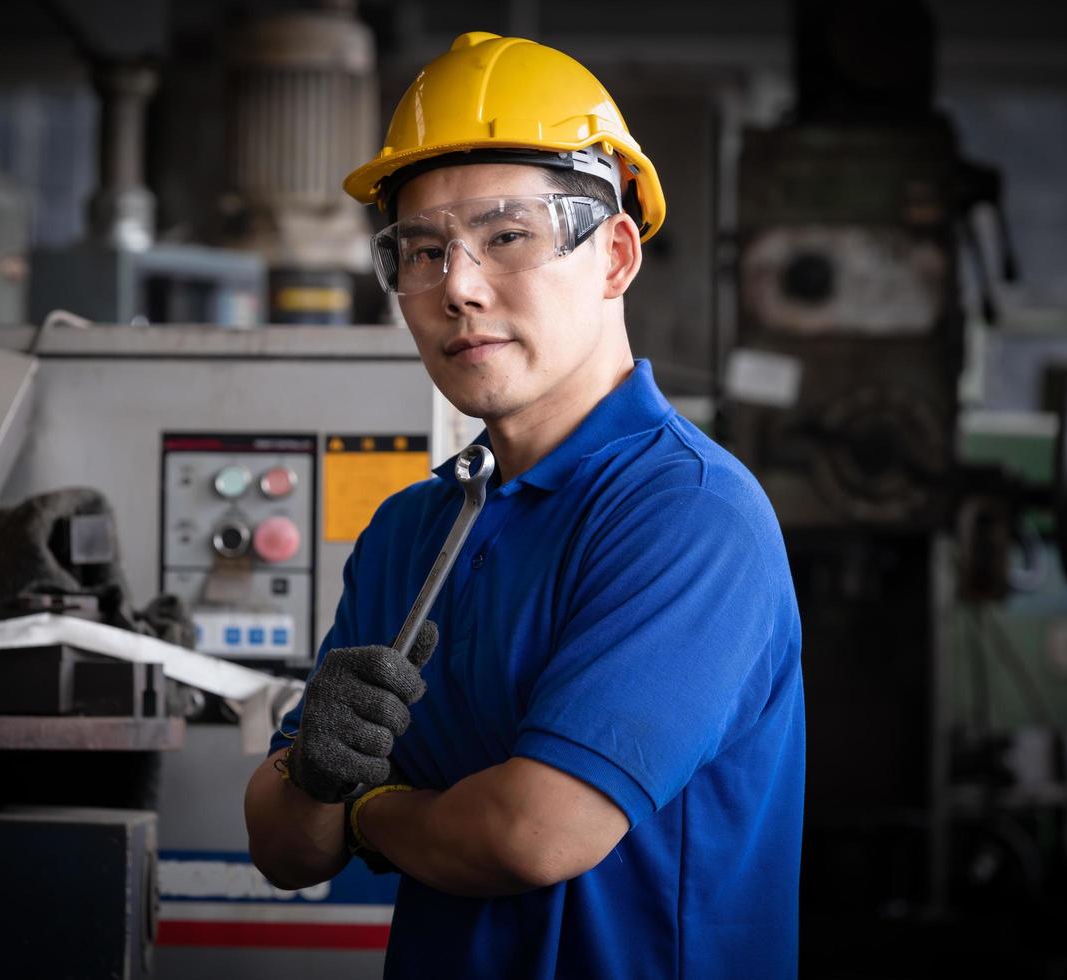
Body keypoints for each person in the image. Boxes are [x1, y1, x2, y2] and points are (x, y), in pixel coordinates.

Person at [243, 31, 804, 979]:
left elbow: (529, 836)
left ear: (617, 255)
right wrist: (312, 775)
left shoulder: (690, 516)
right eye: (422, 250)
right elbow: (287, 849)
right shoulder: (412, 529)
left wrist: (367, 811)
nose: (457, 287)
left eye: (507, 238)